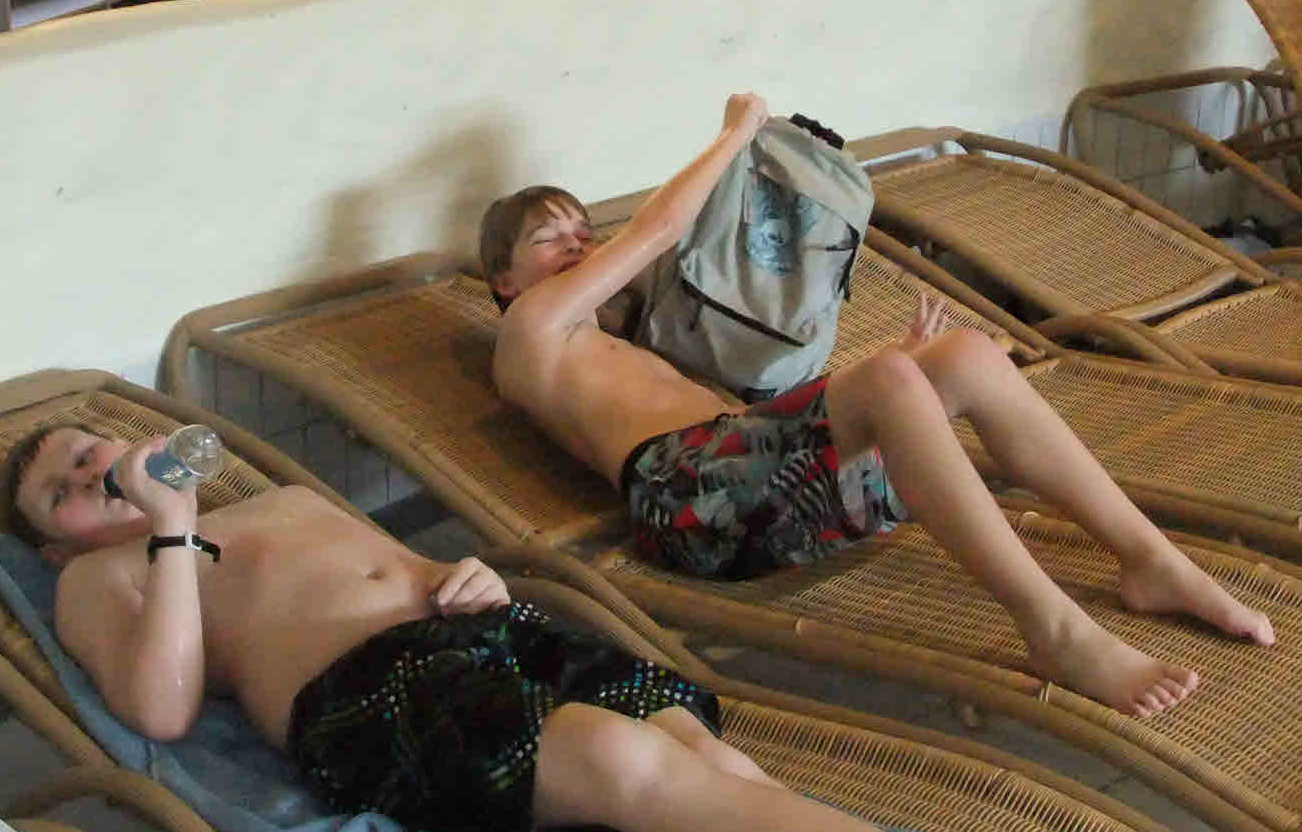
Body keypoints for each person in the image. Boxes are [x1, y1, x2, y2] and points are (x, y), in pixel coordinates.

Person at [5, 422, 1132, 832]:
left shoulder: (284, 498)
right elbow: (160, 708)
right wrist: (169, 529)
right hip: (374, 696)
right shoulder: (100, 578)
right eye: (62, 490)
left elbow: (412, 563)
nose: (89, 473)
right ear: (54, 543)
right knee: (628, 769)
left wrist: (470, 575)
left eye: (89, 450)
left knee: (714, 776)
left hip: (491, 631)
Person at [480, 91, 1275, 722]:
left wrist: (896, 375)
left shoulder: (614, 336)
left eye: (582, 231)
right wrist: (736, 131)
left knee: (964, 355)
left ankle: (1150, 561)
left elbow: (763, 422)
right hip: (683, 508)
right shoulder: (529, 332)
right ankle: (1055, 631)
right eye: (549, 239)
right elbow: (657, 230)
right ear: (504, 282)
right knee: (891, 378)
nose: (577, 245)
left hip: (742, 482)